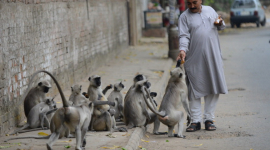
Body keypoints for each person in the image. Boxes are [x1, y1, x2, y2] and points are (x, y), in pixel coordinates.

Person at [176, 0, 228, 132]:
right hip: (194, 57)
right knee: (194, 88)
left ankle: (209, 119)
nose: (192, 6)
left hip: (213, 56)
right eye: (189, 3)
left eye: (195, 3)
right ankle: (195, 121)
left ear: (201, 1)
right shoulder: (184, 17)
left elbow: (221, 27)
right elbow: (183, 36)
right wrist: (182, 50)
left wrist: (221, 22)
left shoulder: (210, 10)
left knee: (213, 86)